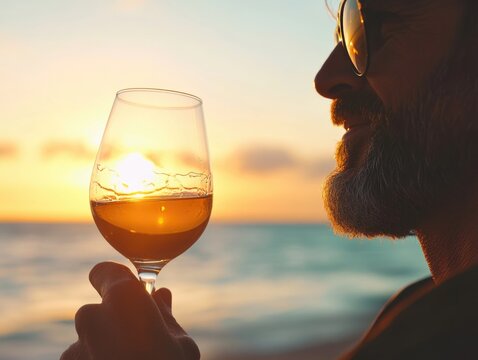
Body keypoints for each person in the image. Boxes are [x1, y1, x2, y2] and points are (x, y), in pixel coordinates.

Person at [61, 0, 478, 358]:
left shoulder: (440, 338)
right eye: (343, 30)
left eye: (368, 27)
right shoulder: (414, 311)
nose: (326, 78)